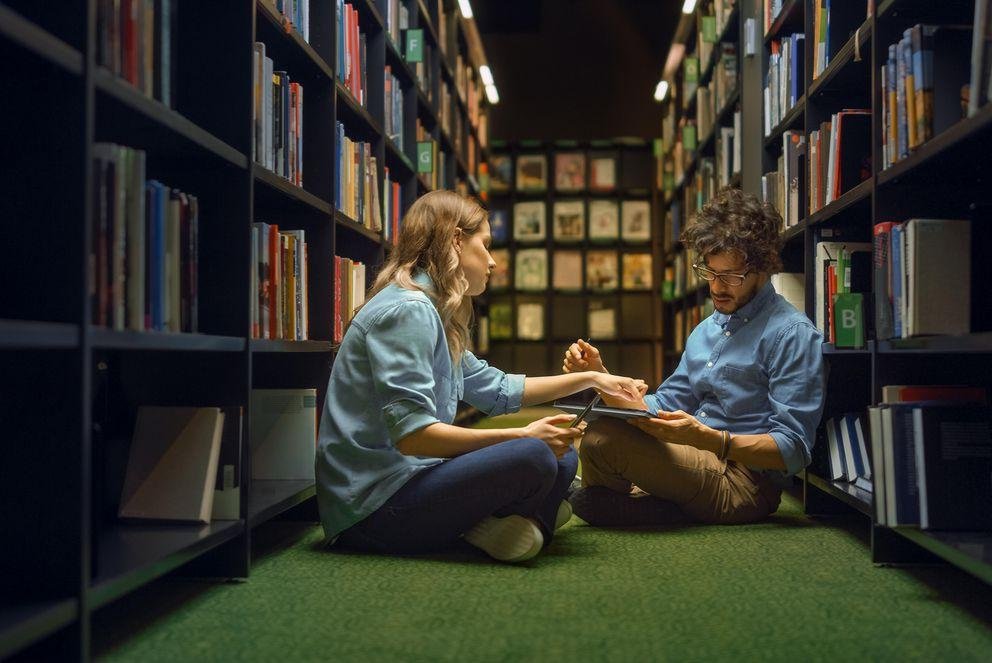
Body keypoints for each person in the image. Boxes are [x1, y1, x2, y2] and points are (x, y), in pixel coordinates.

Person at [316, 190, 647, 562]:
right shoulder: (408, 311)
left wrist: (594, 381)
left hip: (412, 482)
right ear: (456, 240)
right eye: (485, 245)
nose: (492, 262)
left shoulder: (434, 312)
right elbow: (414, 437)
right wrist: (523, 433)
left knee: (562, 457)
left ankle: (501, 527)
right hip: (372, 511)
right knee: (535, 454)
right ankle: (518, 522)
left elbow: (500, 388)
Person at [563, 188, 825, 526]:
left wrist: (710, 439)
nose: (716, 287)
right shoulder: (707, 329)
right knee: (598, 430)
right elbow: (668, 402)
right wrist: (602, 379)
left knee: (604, 441)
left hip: (742, 482)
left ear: (763, 268)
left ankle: (629, 503)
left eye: (730, 276)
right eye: (709, 272)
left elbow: (794, 449)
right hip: (695, 456)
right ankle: (652, 505)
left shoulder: (792, 334)